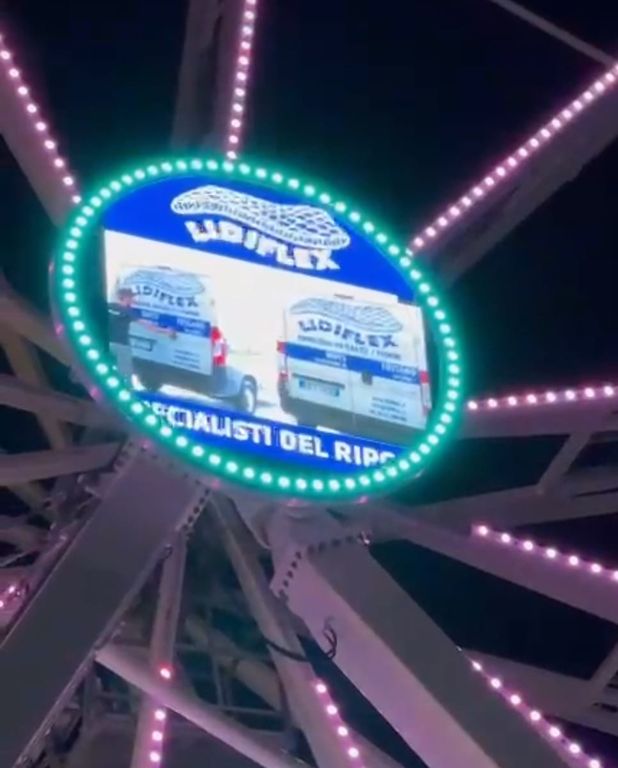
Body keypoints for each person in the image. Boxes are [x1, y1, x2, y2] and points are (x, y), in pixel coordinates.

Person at [108, 287, 138, 380]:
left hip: (107, 342)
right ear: (126, 298)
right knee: (125, 375)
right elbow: (148, 326)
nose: (133, 299)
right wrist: (166, 331)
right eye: (132, 297)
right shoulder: (128, 312)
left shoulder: (109, 306)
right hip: (122, 345)